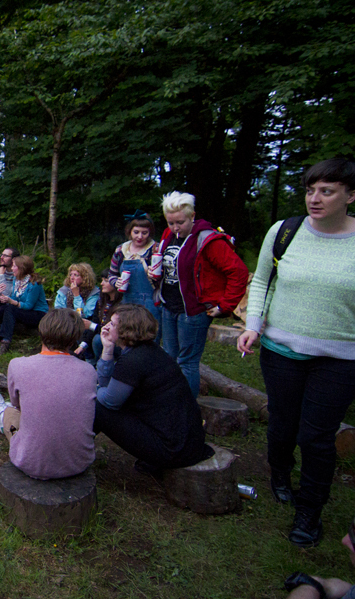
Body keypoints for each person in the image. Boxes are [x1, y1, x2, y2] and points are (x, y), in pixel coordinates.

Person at [236, 159, 355, 548]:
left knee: (316, 436)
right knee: (282, 423)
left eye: (326, 191)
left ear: (351, 195)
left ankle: (309, 510)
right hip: (281, 350)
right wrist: (253, 325)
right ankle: (279, 473)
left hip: (344, 358)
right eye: (311, 189)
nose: (315, 198)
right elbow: (261, 279)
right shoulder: (284, 231)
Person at [93, 304, 213, 477]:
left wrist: (91, 390)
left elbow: (109, 401)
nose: (106, 326)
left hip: (172, 449)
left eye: (112, 324)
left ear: (126, 331)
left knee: (95, 406)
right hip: (186, 442)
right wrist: (108, 349)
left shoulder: (134, 361)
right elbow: (108, 388)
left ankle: (71, 454)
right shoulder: (149, 351)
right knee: (101, 399)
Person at [148, 191, 248, 398]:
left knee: (187, 363)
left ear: (192, 216)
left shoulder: (208, 240)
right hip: (169, 306)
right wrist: (154, 273)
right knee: (169, 356)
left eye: (180, 222)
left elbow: (238, 272)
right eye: (171, 222)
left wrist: (225, 306)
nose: (176, 228)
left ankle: (188, 411)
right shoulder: (168, 235)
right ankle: (170, 401)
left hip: (193, 312)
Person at [0, 308, 97, 479]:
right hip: (79, 463)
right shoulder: (89, 371)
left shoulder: (18, 365)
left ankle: (2, 416)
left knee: (11, 411)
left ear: (42, 330)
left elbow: (18, 405)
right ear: (75, 339)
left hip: (30, 462)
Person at [0, 255, 48, 356]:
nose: (12, 268)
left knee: (9, 308)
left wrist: (11, 301)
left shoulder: (34, 284)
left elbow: (28, 305)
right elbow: (15, 298)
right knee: (2, 306)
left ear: (21, 268)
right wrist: (1, 295)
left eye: (14, 266)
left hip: (38, 314)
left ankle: (4, 342)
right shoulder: (17, 280)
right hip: (23, 310)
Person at [108, 211, 161, 335]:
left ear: (150, 232)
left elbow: (163, 278)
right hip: (127, 302)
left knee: (149, 336)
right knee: (127, 335)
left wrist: (155, 275)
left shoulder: (155, 249)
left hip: (150, 303)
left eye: (144, 233)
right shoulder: (121, 250)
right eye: (136, 232)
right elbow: (111, 275)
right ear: (129, 232)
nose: (140, 236)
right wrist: (117, 282)